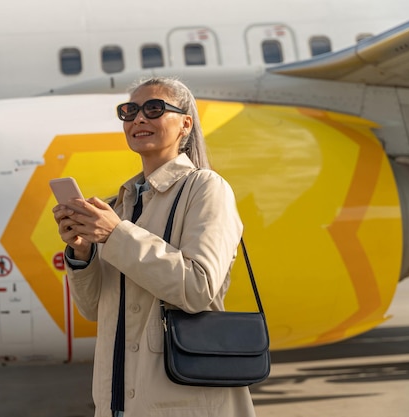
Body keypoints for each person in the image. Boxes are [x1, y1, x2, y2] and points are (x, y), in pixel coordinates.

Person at [52, 77, 256, 417]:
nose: (139, 119)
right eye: (129, 111)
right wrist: (82, 253)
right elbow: (93, 311)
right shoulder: (119, 205)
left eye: (154, 109)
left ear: (185, 124)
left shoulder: (206, 188)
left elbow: (197, 287)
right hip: (118, 404)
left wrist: (115, 236)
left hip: (187, 405)